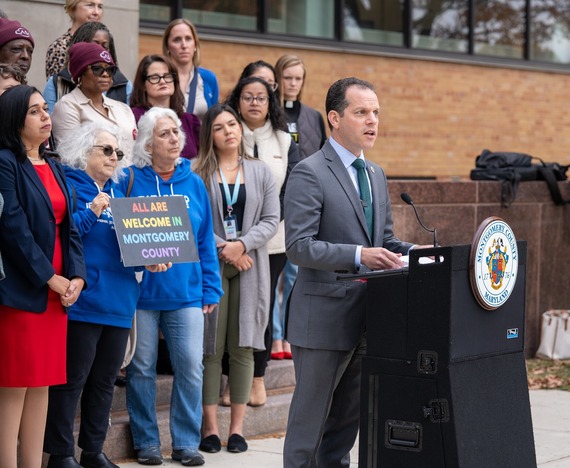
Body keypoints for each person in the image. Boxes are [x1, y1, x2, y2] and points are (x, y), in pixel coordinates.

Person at [283, 77, 429, 467]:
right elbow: (299, 247)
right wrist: (359, 255)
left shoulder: (376, 174)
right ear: (334, 117)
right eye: (361, 112)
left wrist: (417, 253)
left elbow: (384, 240)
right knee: (309, 426)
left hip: (369, 316)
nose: (372, 120)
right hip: (323, 318)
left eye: (376, 112)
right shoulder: (309, 172)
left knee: (346, 426)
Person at [42, 122, 170, 468]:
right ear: (85, 152)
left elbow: (129, 248)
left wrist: (152, 260)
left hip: (119, 301)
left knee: (103, 384)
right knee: (72, 382)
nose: (115, 157)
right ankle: (61, 454)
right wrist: (92, 210)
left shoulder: (120, 194)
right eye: (107, 150)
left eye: (118, 152)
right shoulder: (70, 187)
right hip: (83, 302)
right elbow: (65, 238)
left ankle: (94, 451)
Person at [118, 107, 223, 466]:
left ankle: (185, 443)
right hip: (141, 295)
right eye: (165, 134)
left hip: (186, 293)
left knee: (191, 367)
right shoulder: (128, 180)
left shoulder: (194, 182)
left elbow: (206, 239)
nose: (175, 138)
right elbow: (117, 236)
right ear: (148, 144)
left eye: (176, 131)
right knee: (142, 368)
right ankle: (147, 442)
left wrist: (211, 288)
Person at [0, 85, 86, 468]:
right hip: (23, 289)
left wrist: (76, 278)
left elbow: (69, 227)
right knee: (14, 386)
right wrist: (50, 278)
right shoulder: (5, 161)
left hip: (58, 291)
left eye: (45, 109)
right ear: (15, 119)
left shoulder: (52, 163)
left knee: (41, 385)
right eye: (34, 111)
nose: (45, 116)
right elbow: (11, 227)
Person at [194, 104, 279, 454]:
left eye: (233, 124)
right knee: (210, 348)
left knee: (244, 346)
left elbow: (272, 219)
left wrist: (242, 244)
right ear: (209, 136)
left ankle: (237, 430)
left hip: (250, 264)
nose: (229, 130)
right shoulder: (198, 172)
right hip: (211, 264)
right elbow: (193, 217)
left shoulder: (261, 172)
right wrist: (224, 247)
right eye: (219, 127)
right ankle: (211, 428)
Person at [225, 75, 300, 406]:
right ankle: (230, 380)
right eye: (247, 97)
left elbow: (290, 191)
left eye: (261, 97)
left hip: (272, 243)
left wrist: (260, 229)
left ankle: (257, 378)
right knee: (229, 310)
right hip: (229, 241)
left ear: (271, 103)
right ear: (237, 101)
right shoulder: (227, 133)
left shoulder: (285, 141)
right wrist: (238, 237)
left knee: (260, 308)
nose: (254, 102)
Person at [271, 54, 327, 360]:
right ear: (278, 78)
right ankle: (274, 335)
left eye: (298, 78)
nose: (292, 84)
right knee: (272, 273)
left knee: (294, 273)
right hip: (274, 202)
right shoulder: (271, 111)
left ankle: (288, 333)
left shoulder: (313, 116)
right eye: (287, 77)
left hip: (304, 203)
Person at [51, 42, 136, 162]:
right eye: (97, 69)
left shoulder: (124, 109)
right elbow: (72, 160)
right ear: (80, 73)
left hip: (132, 179)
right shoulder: (67, 106)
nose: (105, 74)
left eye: (110, 69)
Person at [44, 21, 133, 113]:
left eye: (105, 47)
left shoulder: (124, 85)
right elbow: (49, 123)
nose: (99, 51)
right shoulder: (57, 83)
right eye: (94, 45)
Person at [130, 54, 200, 159]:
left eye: (167, 76)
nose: (162, 81)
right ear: (143, 85)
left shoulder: (189, 121)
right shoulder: (132, 117)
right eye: (154, 77)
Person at [162, 18, 218, 120]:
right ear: (167, 47)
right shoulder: (159, 78)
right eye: (177, 40)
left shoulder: (209, 78)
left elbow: (214, 120)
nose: (184, 45)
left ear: (195, 45)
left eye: (188, 39)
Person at [45, 0, 104, 78]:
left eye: (100, 7)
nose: (96, 12)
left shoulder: (103, 45)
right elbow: (58, 87)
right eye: (90, 5)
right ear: (73, 8)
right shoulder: (60, 47)